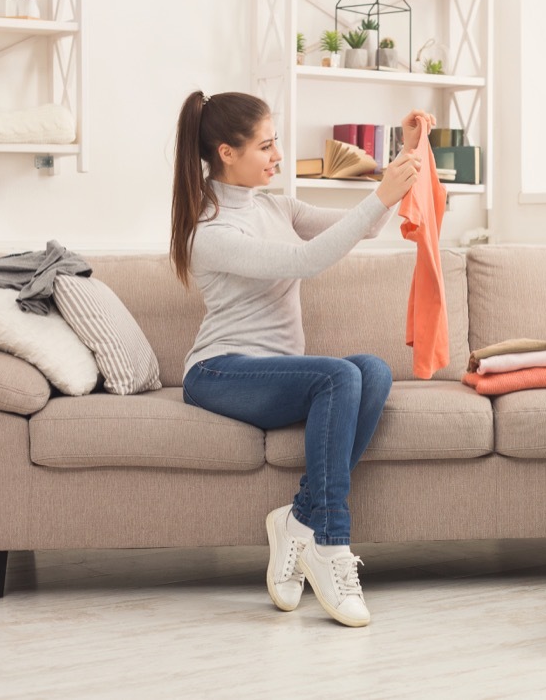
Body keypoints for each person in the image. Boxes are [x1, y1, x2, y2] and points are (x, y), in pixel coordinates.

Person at [170, 90, 434, 628]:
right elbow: (306, 260)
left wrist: (407, 154)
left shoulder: (276, 206)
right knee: (337, 376)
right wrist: (381, 194)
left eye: (276, 142)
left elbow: (367, 224)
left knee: (372, 370)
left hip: (277, 376)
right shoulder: (210, 232)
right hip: (218, 372)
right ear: (226, 153)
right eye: (265, 146)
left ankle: (297, 520)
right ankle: (330, 544)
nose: (278, 156)